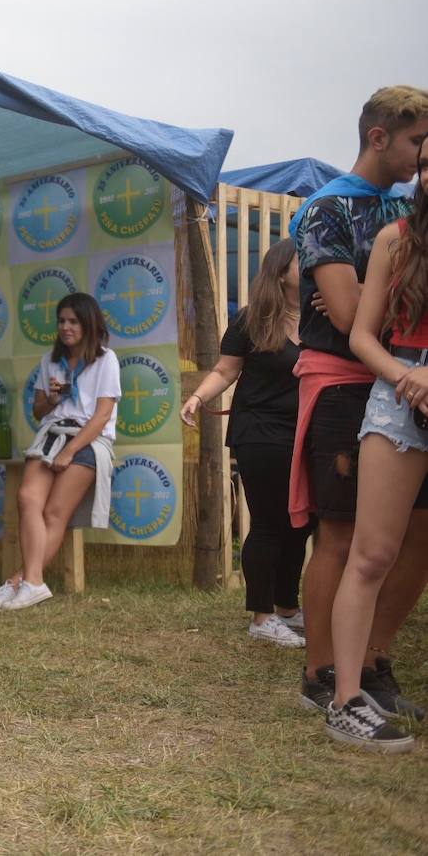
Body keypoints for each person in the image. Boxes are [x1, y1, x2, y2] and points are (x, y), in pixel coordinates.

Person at [287, 86, 428, 719]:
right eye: (416, 142)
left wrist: (364, 284)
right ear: (380, 137)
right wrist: (367, 292)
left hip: (397, 382)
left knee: (414, 541)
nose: (421, 157)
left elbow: (360, 300)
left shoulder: (407, 208)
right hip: (348, 385)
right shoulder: (327, 209)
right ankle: (323, 672)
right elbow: (347, 317)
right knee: (341, 537)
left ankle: (371, 659)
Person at [324, 135, 428, 752]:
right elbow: (362, 335)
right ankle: (344, 701)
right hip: (400, 396)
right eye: (425, 163)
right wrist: (408, 377)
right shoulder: (397, 239)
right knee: (369, 555)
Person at [180, 241, 309, 647]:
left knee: (300, 524)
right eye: (300, 259)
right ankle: (261, 616)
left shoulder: (323, 316)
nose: (312, 264)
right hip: (260, 432)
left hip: (305, 432)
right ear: (280, 271)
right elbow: (225, 369)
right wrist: (199, 397)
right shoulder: (252, 320)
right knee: (270, 522)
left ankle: (288, 607)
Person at [0, 294, 119, 612]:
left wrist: (71, 451)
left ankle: (21, 582)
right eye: (62, 321)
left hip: (88, 439)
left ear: (88, 323)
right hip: (51, 434)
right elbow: (38, 410)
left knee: (54, 513)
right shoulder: (51, 361)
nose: (66, 327)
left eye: (73, 321)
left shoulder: (106, 359)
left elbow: (101, 416)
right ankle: (30, 582)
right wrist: (55, 398)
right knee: (27, 498)